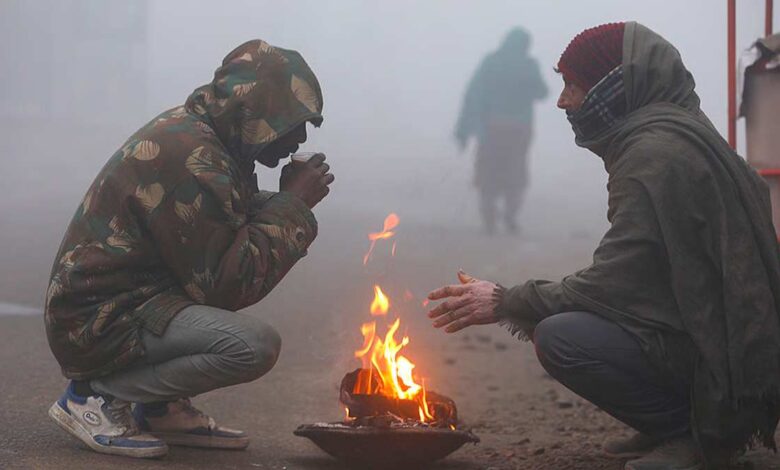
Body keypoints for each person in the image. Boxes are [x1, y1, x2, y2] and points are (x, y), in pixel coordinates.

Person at [427, 22, 780, 470]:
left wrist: (505, 300)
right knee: (507, 188)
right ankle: (673, 420)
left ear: (612, 88)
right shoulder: (678, 133)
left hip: (721, 357)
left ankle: (694, 433)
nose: (562, 101)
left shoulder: (653, 156)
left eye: (573, 86)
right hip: (722, 338)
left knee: (559, 337)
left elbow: (615, 282)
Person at [44, 39, 333, 459]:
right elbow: (229, 285)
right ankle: (96, 396)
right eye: (292, 122)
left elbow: (226, 224)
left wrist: (288, 205)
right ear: (255, 115)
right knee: (253, 346)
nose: (301, 137)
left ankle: (159, 408)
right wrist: (292, 204)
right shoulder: (194, 156)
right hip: (99, 321)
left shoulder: (209, 140)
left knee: (233, 306)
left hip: (130, 300)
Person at [454, 27, 548, 235]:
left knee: (488, 172)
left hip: (492, 129)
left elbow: (473, 94)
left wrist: (463, 129)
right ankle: (510, 216)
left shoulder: (492, 62)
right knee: (515, 173)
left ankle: (489, 219)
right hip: (519, 130)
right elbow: (542, 92)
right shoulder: (528, 65)